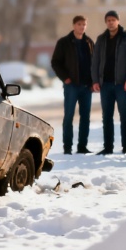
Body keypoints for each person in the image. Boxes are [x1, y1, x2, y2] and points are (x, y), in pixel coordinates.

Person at [90, 10, 126, 154]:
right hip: (105, 85)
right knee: (107, 117)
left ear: (118, 21)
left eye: (113, 19)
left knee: (124, 116)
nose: (111, 22)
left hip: (122, 84)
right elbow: (95, 62)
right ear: (106, 22)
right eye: (108, 20)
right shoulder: (101, 39)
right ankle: (108, 147)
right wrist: (95, 81)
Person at [51, 15, 95, 155]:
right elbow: (55, 62)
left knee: (85, 117)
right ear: (73, 26)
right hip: (71, 86)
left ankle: (82, 146)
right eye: (79, 24)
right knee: (69, 116)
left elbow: (94, 63)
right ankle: (67, 147)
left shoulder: (89, 42)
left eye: (84, 24)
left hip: (86, 87)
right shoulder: (64, 42)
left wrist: (94, 81)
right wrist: (65, 78)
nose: (82, 27)